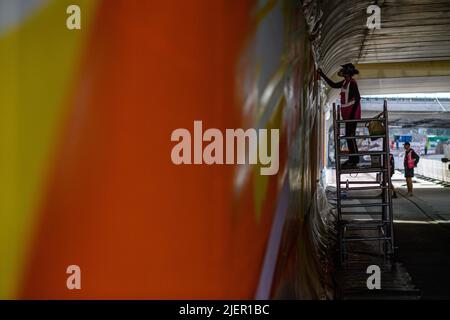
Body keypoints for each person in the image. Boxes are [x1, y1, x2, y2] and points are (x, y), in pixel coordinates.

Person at [318, 63, 361, 168]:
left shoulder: (352, 83)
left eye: (344, 70)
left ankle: (354, 160)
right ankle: (353, 159)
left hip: (352, 115)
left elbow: (357, 98)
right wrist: (322, 74)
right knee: (349, 136)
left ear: (347, 72)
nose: (341, 72)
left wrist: (351, 115)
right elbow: (333, 84)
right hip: (347, 115)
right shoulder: (344, 82)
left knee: (350, 136)